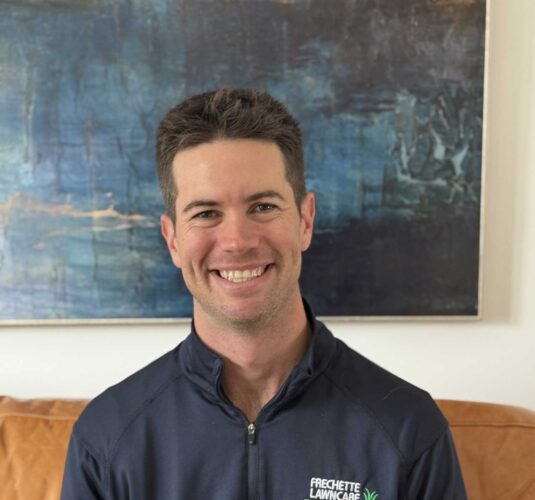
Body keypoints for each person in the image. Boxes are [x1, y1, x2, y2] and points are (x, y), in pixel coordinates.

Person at [61, 88, 467, 499]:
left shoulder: (407, 428)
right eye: (206, 213)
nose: (237, 241)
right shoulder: (106, 438)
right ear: (173, 240)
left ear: (305, 220)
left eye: (263, 207)